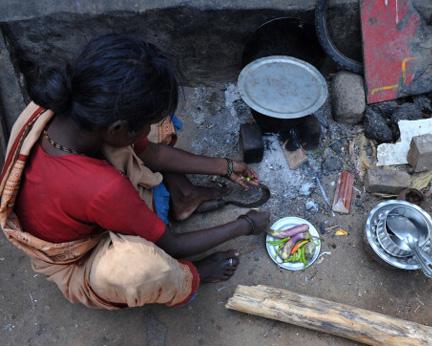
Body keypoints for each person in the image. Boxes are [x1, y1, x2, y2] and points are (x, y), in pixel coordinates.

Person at [0, 34, 271, 309]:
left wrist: (224, 166)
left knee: (153, 110)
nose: (144, 130)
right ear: (117, 128)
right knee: (137, 269)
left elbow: (151, 152)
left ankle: (184, 196)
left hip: (88, 193)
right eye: (138, 128)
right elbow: (171, 245)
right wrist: (245, 225)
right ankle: (193, 275)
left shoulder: (69, 107)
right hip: (76, 260)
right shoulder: (102, 187)